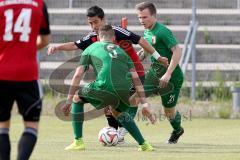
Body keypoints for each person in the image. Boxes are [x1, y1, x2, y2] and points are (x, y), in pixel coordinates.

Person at [48, 5, 168, 147]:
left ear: (103, 19)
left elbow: (140, 40)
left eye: (96, 22)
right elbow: (75, 45)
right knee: (113, 107)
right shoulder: (93, 37)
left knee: (118, 105)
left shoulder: (117, 31)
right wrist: (57, 47)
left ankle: (117, 133)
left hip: (134, 73)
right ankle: (119, 134)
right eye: (90, 23)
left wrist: (158, 56)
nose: (93, 26)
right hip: (117, 78)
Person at [61, 24, 155, 151]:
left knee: (77, 98)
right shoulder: (122, 52)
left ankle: (78, 142)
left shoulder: (91, 47)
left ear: (99, 37)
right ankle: (144, 145)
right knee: (118, 112)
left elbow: (78, 75)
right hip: (124, 89)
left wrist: (68, 101)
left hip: (104, 85)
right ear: (114, 38)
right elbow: (136, 78)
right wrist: (144, 104)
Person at [0, 0, 50, 160]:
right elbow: (44, 40)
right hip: (27, 74)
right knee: (31, 126)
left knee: (2, 126)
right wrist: (26, 48)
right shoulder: (39, 4)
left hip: (2, 71)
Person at [135, 2, 184, 144]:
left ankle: (178, 130)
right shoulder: (147, 32)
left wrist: (168, 73)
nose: (141, 21)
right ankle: (121, 132)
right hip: (154, 73)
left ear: (154, 16)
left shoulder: (162, 31)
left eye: (145, 17)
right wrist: (138, 56)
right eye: (139, 18)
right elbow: (147, 50)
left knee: (168, 112)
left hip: (172, 77)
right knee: (136, 97)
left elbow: (177, 51)